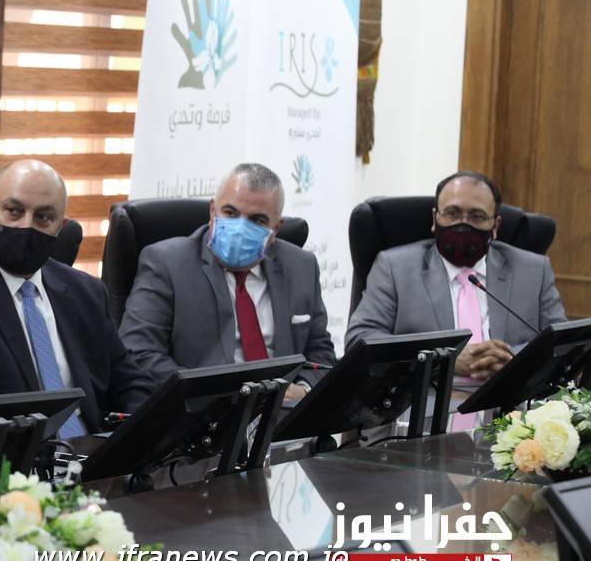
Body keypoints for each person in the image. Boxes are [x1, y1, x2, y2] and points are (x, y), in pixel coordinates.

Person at [0, 160, 154, 434]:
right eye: (13, 211)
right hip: (6, 450)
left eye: (43, 217)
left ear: (60, 226)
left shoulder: (86, 291)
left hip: (92, 449)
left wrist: (142, 432)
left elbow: (129, 381)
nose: (26, 225)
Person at [119, 164, 335, 399]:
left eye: (257, 220)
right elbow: (139, 353)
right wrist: (219, 396)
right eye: (230, 213)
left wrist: (304, 389)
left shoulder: (302, 266)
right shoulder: (166, 264)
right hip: (201, 411)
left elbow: (320, 352)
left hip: (282, 413)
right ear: (213, 211)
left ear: (275, 228)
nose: (240, 228)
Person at [346, 171, 567, 384]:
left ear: (495, 225)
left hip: (508, 401)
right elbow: (360, 340)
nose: (463, 224)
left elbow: (562, 343)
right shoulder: (395, 267)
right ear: (435, 219)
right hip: (426, 400)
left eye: (477, 216)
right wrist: (443, 359)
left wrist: (511, 360)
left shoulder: (533, 270)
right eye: (452, 213)